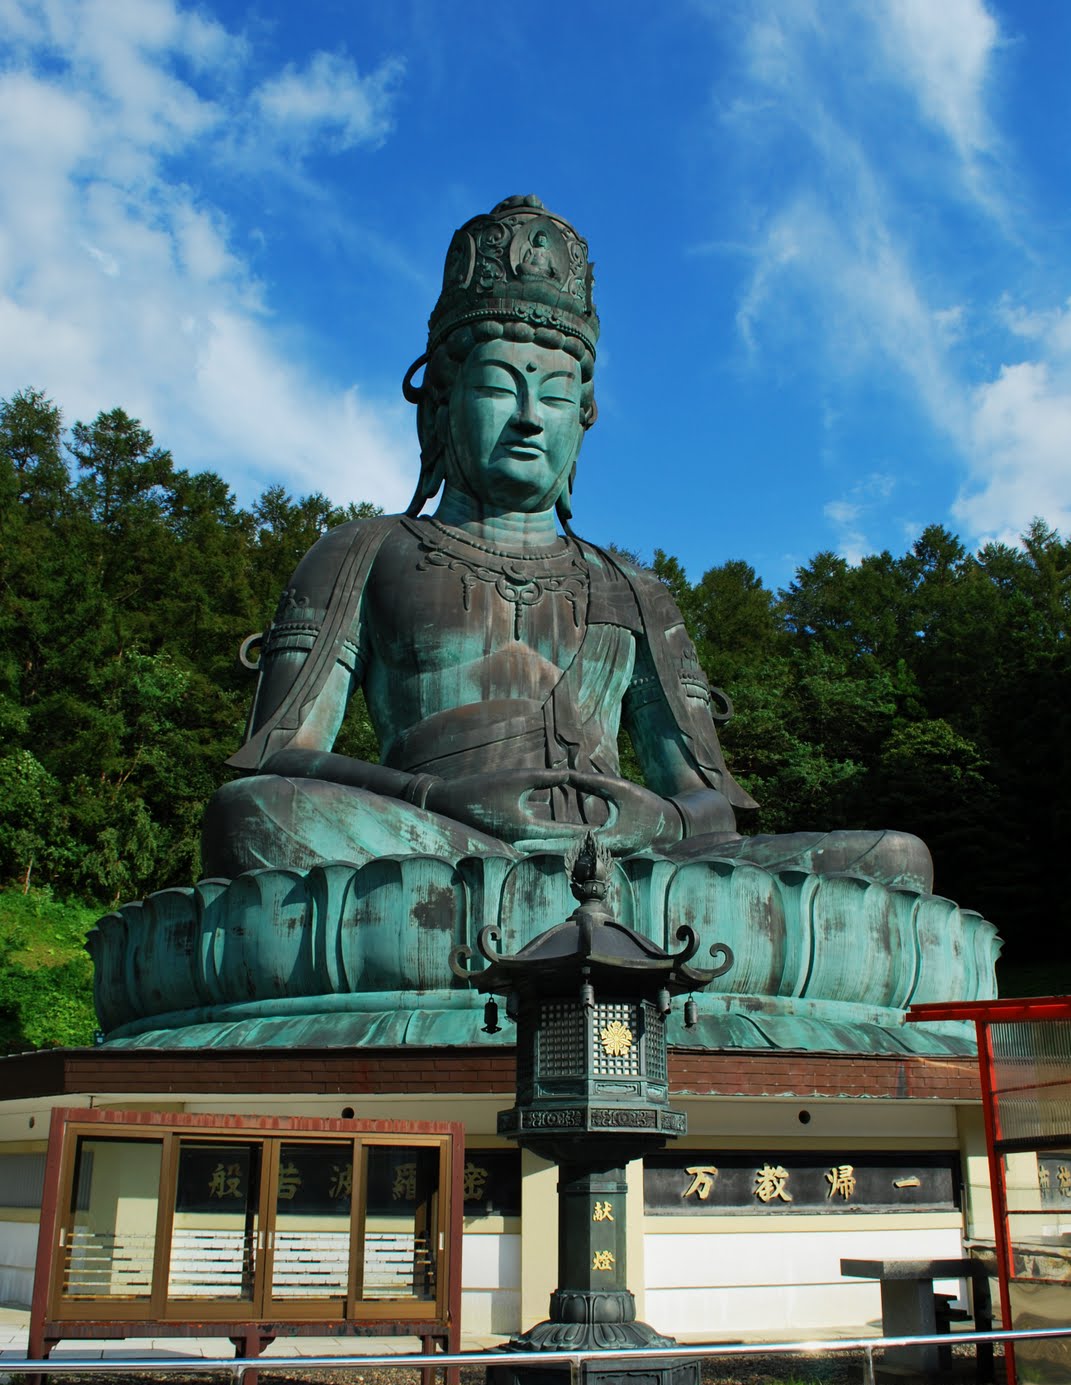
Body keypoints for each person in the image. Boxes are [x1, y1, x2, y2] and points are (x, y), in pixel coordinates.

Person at [203, 196, 931, 895]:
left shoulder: (636, 591)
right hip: (437, 839)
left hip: (623, 851)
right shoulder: (361, 552)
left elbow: (709, 800)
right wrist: (436, 797)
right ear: (439, 407)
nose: (528, 420)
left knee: (895, 858)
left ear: (580, 421)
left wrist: (661, 814)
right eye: (498, 389)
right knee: (257, 816)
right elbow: (280, 758)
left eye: (552, 398)